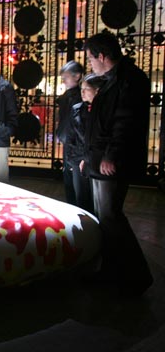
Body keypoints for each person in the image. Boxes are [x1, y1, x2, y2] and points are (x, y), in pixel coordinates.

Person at [82, 31, 153, 296]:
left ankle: (136, 277)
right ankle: (111, 272)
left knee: (111, 217)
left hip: (110, 162)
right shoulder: (113, 79)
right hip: (100, 158)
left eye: (91, 58)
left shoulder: (129, 80)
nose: (90, 64)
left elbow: (125, 122)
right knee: (106, 218)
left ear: (102, 56)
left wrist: (111, 155)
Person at [66, 73, 105, 214]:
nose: (82, 93)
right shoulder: (77, 109)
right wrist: (72, 161)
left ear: (97, 90)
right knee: (81, 199)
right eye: (81, 89)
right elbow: (71, 137)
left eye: (86, 89)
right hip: (78, 158)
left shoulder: (104, 110)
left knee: (99, 202)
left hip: (96, 159)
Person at [56, 60, 84, 205]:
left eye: (66, 77)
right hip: (68, 141)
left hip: (76, 144)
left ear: (77, 76)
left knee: (76, 182)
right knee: (68, 178)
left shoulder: (80, 97)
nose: (64, 81)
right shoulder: (67, 96)